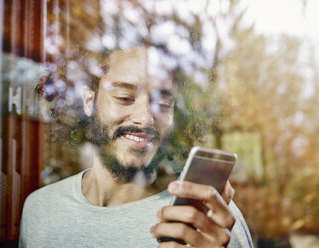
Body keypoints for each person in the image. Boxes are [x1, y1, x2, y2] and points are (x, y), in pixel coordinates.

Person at [19, 47, 253, 248]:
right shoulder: (40, 209)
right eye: (124, 97)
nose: (146, 118)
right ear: (89, 102)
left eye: (163, 104)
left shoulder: (206, 221)